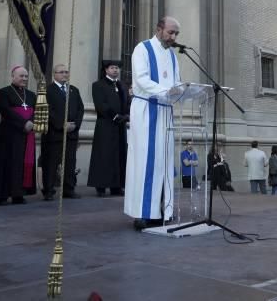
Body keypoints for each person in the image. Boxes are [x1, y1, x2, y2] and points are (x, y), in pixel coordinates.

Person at [124, 16, 181, 231]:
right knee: (145, 160)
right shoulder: (143, 48)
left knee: (164, 162)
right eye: (171, 32)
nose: (173, 37)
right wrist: (167, 91)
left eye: (176, 34)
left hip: (166, 110)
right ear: (159, 29)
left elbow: (176, 81)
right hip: (147, 109)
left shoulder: (173, 55)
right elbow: (141, 79)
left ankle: (161, 210)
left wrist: (180, 91)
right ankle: (142, 212)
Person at [0, 66, 37, 205]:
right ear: (13, 76)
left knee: (21, 164)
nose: (24, 79)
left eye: (26, 76)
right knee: (6, 163)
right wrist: (23, 123)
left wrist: (32, 122)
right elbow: (5, 111)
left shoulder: (31, 95)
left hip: (26, 135)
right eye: (21, 76)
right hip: (9, 134)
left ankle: (18, 194)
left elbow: (36, 111)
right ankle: (2, 194)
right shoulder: (3, 92)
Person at [41, 65, 84, 200]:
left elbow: (80, 109)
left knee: (70, 163)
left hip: (71, 134)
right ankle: (48, 190)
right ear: (54, 74)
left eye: (66, 72)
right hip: (54, 134)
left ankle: (69, 189)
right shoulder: (47, 90)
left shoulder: (74, 90)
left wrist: (75, 124)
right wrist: (61, 125)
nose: (65, 74)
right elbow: (47, 110)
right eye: (62, 72)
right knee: (51, 163)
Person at [88, 60, 129, 197]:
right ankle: (101, 185)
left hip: (120, 127)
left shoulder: (122, 85)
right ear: (106, 70)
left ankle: (116, 186)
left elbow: (127, 102)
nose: (115, 70)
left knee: (119, 155)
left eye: (117, 68)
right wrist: (115, 116)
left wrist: (126, 115)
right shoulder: (98, 85)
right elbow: (100, 104)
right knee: (104, 155)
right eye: (112, 68)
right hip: (105, 125)